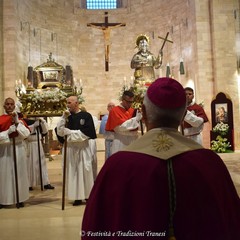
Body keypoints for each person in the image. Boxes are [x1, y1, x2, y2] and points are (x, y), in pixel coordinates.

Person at [81, 78, 240, 240]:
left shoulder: (117, 166)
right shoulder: (210, 163)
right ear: (184, 114)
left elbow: (94, 226)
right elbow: (231, 222)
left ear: (143, 112)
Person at [56, 96, 97, 206]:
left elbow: (86, 133)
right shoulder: (66, 117)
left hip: (83, 148)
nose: (68, 105)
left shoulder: (86, 116)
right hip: (71, 149)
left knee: (85, 171)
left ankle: (88, 195)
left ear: (76, 103)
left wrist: (69, 133)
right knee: (73, 172)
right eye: (67, 103)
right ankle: (77, 197)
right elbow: (60, 132)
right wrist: (63, 118)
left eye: (70, 102)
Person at [0, 98, 30, 208]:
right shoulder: (0, 119)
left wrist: (17, 124)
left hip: (18, 149)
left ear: (14, 106)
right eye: (7, 104)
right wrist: (7, 132)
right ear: (4, 106)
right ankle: (3, 199)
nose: (9, 106)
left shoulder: (20, 120)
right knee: (5, 175)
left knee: (19, 174)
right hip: (5, 149)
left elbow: (26, 134)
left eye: (11, 104)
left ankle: (20, 198)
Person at [105, 91, 142, 155]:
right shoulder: (114, 111)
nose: (130, 104)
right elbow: (121, 127)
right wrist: (136, 119)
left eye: (131, 102)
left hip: (133, 141)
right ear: (123, 100)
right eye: (128, 102)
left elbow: (139, 127)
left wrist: (142, 119)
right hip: (121, 141)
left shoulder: (133, 111)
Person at [24, 117, 55, 191]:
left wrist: (42, 122)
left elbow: (44, 131)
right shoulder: (25, 120)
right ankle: (29, 184)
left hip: (38, 144)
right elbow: (25, 133)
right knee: (30, 164)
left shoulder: (40, 120)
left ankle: (45, 182)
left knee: (41, 164)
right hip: (29, 144)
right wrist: (33, 126)